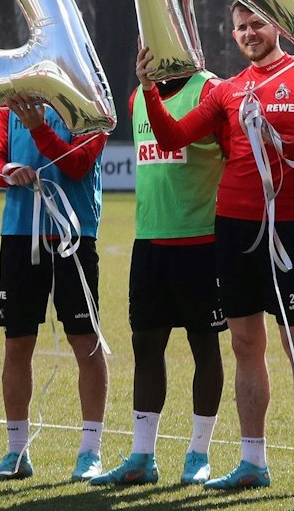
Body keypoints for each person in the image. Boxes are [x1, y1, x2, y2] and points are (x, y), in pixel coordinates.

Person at [138, 3, 294, 492]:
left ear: (276, 25)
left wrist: (286, 146)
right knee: (244, 345)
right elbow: (172, 136)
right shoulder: (227, 90)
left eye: (257, 24)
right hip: (231, 228)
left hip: (285, 228)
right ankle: (252, 461)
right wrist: (150, 89)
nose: (249, 34)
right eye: (240, 28)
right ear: (231, 35)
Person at [89, 62, 227, 487]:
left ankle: (198, 454)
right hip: (148, 242)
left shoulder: (209, 90)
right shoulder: (136, 97)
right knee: (146, 347)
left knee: (205, 348)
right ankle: (141, 456)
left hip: (201, 241)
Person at [0, 95, 109, 483]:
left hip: (73, 233)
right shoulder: (11, 103)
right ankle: (16, 453)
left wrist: (38, 126)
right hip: (18, 234)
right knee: (17, 343)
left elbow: (79, 164)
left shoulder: (92, 103)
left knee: (85, 340)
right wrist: (8, 170)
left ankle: (90, 452)